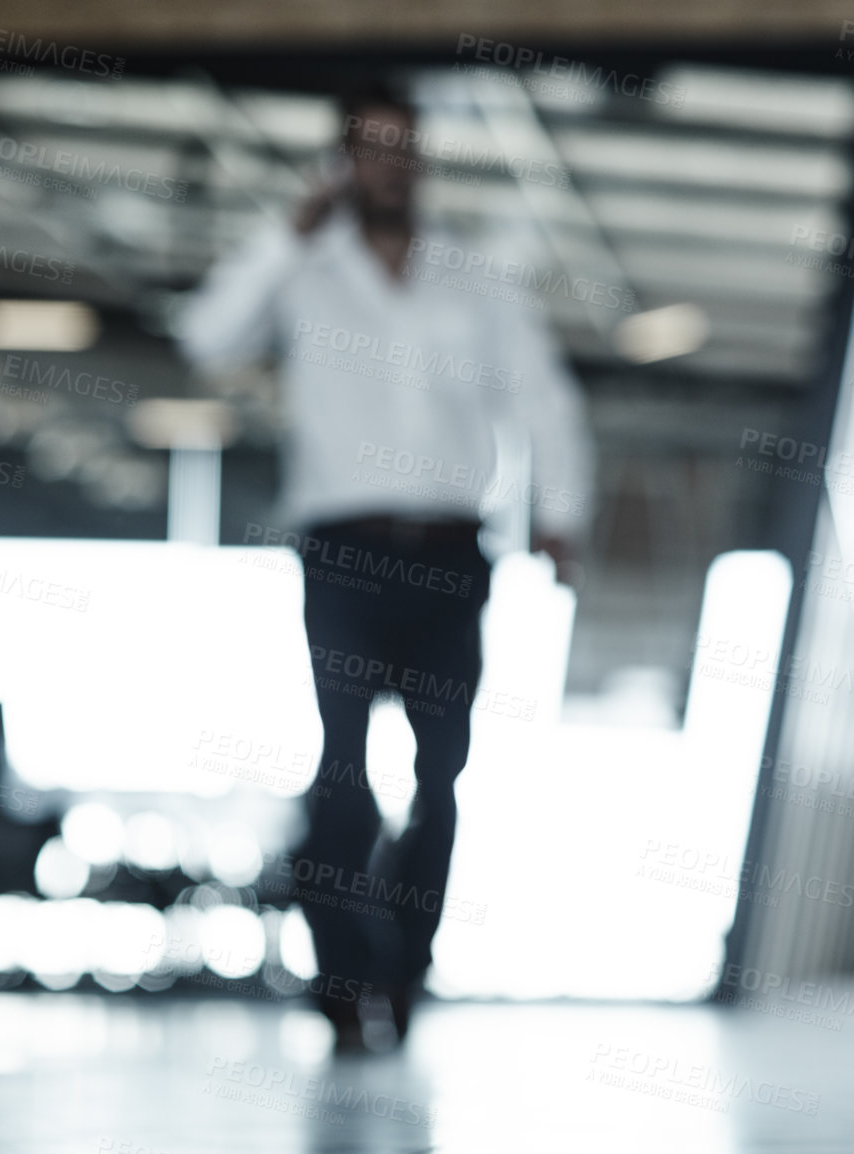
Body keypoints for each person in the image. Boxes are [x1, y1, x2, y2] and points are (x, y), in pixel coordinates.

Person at [177, 82, 593, 1051]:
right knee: (340, 767)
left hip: (452, 551)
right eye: (369, 147)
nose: (390, 163)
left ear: (422, 159)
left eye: (404, 146)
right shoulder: (302, 272)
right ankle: (341, 969)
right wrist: (289, 231)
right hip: (343, 551)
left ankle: (405, 966)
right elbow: (205, 337)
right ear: (341, 161)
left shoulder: (474, 278)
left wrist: (561, 514)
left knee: (439, 773)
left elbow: (544, 397)